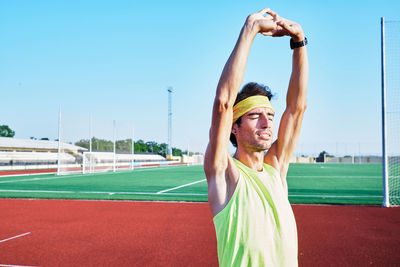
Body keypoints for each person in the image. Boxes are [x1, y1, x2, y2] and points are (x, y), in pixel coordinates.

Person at [204, 7, 308, 267]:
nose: (266, 123)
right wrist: (250, 30)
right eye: (254, 116)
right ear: (234, 127)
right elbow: (223, 103)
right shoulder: (225, 174)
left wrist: (299, 42)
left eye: (270, 116)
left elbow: (296, 109)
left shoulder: (276, 169)